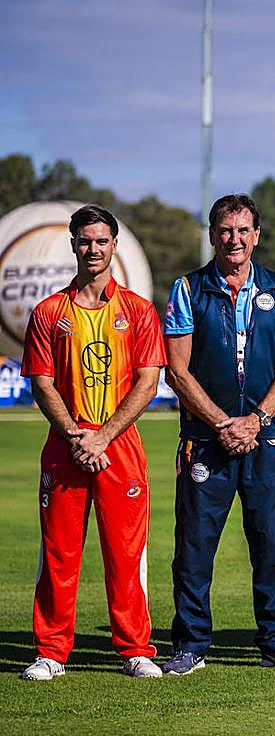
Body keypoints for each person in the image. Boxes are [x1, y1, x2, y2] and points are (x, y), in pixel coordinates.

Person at [161, 194, 275, 674]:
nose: (235, 239)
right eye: (226, 230)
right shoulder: (188, 288)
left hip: (267, 440)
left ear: (257, 235)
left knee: (271, 544)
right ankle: (190, 642)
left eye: (243, 230)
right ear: (212, 234)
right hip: (207, 440)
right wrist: (223, 423)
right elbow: (177, 373)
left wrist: (256, 420)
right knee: (195, 546)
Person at [20, 204, 164, 680]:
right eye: (85, 241)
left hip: (118, 444)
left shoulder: (138, 312)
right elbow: (41, 383)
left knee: (125, 550)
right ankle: (51, 652)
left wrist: (102, 437)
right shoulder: (48, 312)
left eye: (102, 241)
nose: (94, 249)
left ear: (114, 246)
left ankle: (135, 650)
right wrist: (77, 436)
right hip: (67, 443)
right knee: (59, 552)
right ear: (73, 244)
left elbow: (146, 382)